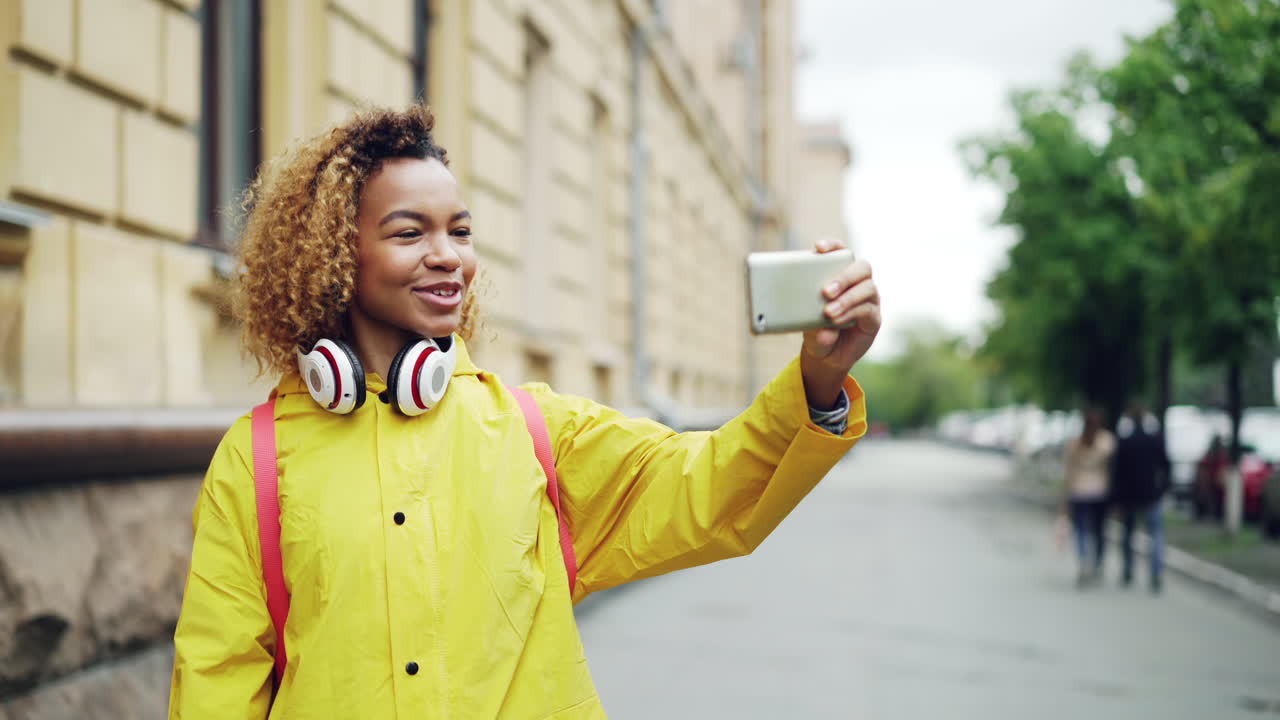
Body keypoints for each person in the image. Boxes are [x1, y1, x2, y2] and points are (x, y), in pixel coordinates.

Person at [167, 105, 880, 718]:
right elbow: (215, 683)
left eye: (461, 232)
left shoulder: (537, 432)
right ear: (335, 255)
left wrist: (817, 378)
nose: (449, 256)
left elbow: (712, 488)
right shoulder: (257, 459)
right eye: (410, 233)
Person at [1111, 402, 1171, 593]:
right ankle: (1155, 574)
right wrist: (1162, 489)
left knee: (1128, 534)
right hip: (1151, 493)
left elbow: (1117, 472)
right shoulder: (1155, 440)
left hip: (1129, 495)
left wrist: (1117, 498)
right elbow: (1166, 466)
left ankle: (1128, 571)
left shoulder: (1124, 441)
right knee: (1155, 535)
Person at [1061, 408, 1115, 587]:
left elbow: (1069, 472)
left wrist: (1066, 495)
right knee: (1099, 531)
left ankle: (1083, 560)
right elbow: (1111, 469)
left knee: (1081, 530)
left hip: (1079, 492)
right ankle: (1098, 563)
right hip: (1100, 492)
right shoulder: (1106, 442)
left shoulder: (1074, 444)